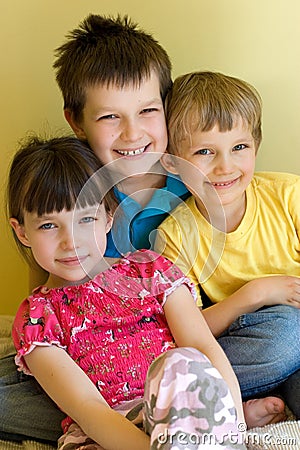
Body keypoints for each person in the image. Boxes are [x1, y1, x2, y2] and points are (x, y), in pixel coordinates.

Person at [0, 16, 286, 444]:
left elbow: (198, 330)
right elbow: (49, 294)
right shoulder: (73, 189)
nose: (133, 133)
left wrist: (253, 296)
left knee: (283, 337)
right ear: (76, 121)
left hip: (181, 347)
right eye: (110, 117)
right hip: (92, 367)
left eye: (148, 111)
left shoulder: (196, 181)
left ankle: (182, 412)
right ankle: (166, 419)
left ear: (166, 110)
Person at [7, 135, 247, 449]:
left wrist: (236, 424)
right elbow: (88, 409)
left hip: (181, 406)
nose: (70, 242)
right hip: (109, 432)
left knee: (183, 363)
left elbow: (203, 346)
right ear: (21, 230)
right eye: (49, 226)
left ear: (109, 217)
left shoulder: (150, 271)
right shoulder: (37, 317)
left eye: (86, 219)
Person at [154, 70, 300, 419]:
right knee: (285, 336)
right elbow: (187, 332)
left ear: (256, 146)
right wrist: (255, 294)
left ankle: (224, 402)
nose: (225, 166)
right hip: (256, 341)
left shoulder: (288, 195)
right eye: (205, 152)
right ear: (172, 162)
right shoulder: (175, 235)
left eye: (239, 148)